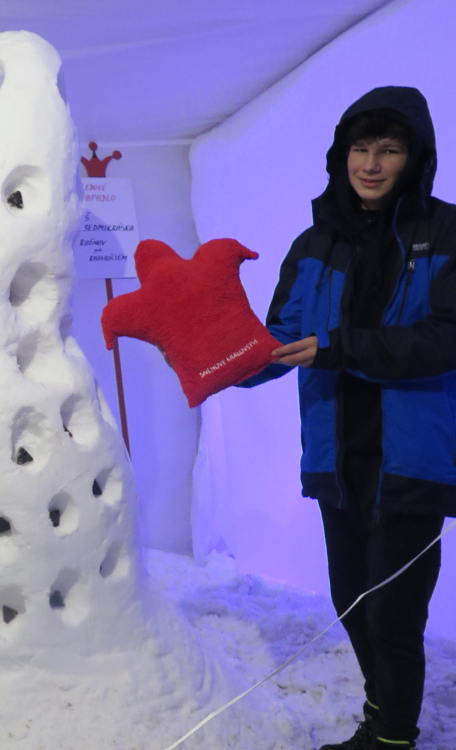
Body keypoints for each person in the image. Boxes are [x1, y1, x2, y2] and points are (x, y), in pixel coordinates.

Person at [242, 86, 456, 749]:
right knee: (352, 600)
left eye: (388, 150)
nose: (371, 164)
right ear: (341, 155)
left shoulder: (448, 233)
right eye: (360, 148)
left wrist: (339, 348)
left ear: (415, 157)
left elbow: (443, 340)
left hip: (414, 458)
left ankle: (393, 738)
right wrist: (220, 360)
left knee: (394, 612)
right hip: (338, 452)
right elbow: (282, 336)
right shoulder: (315, 242)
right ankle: (381, 716)